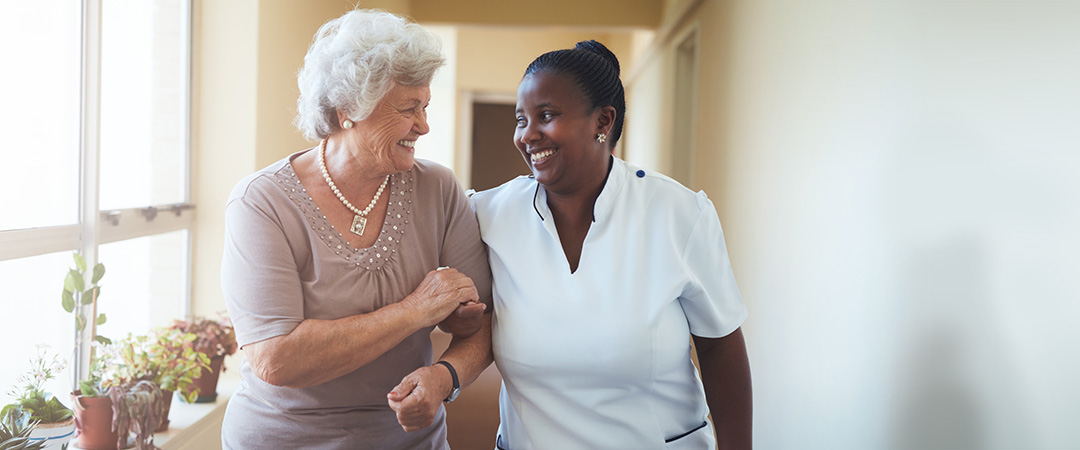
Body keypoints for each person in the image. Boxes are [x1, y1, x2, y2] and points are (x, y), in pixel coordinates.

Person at [219, 10, 493, 450]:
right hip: (284, 438)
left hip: (409, 440)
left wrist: (445, 378)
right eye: (408, 109)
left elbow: (486, 321)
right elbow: (277, 359)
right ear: (348, 110)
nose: (424, 125)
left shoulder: (437, 188)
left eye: (424, 106)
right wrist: (416, 310)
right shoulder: (262, 202)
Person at [470, 40, 753, 449]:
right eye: (521, 119)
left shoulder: (677, 214)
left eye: (546, 116)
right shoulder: (490, 214)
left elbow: (721, 349)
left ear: (603, 121)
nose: (527, 135)